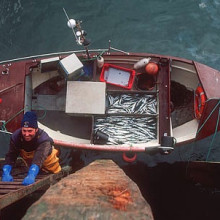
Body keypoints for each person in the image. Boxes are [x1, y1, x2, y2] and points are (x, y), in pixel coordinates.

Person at [1, 111, 61, 185]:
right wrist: (6, 171)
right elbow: (11, 155)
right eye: (24, 130)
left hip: (50, 167)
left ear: (36, 130)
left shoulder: (44, 139)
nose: (26, 134)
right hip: (33, 167)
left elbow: (39, 158)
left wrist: (31, 175)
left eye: (30, 131)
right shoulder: (16, 137)